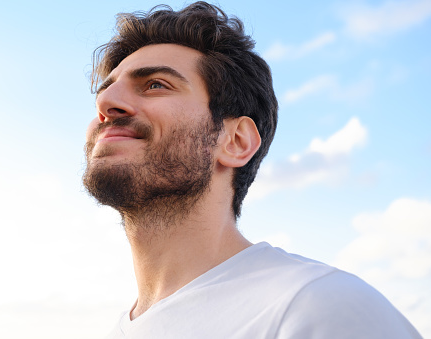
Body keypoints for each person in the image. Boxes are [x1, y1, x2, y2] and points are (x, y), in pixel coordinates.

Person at [83, 2, 422, 338]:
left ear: (235, 141)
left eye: (156, 84)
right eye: (106, 90)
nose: (105, 104)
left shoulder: (319, 306)